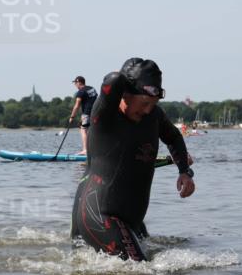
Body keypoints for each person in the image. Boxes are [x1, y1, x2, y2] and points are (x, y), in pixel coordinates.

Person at [71, 58, 195, 261]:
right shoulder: (104, 115)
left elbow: (173, 137)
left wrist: (184, 171)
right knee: (139, 269)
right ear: (125, 94)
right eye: (144, 103)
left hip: (129, 219)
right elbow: (112, 81)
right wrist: (126, 80)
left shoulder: (153, 115)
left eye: (153, 104)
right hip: (99, 212)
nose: (147, 110)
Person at [69, 75, 98, 155]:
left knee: (83, 130)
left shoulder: (81, 92)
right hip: (96, 112)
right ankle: (92, 150)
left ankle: (85, 150)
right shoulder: (92, 89)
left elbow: (77, 105)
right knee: (90, 131)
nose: (75, 85)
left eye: (75, 83)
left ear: (79, 82)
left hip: (87, 113)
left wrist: (72, 117)